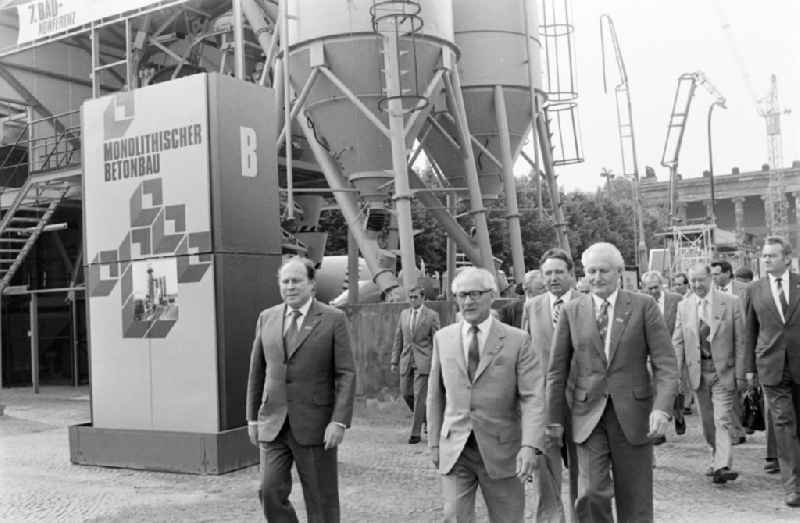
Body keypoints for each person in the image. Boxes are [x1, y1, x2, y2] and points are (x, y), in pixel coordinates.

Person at [545, 242, 678, 523]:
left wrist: (662, 408)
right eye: (590, 271)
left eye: (603, 271)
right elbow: (556, 370)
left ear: (619, 272)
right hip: (586, 415)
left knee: (635, 497)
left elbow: (665, 364)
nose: (596, 278)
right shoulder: (572, 310)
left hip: (633, 414)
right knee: (591, 493)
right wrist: (553, 419)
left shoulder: (643, 306)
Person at [245, 256, 357, 522]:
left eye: (296, 281)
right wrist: (252, 418)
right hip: (273, 423)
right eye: (285, 281)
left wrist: (338, 422)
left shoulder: (333, 319)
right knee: (268, 490)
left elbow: (346, 374)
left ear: (311, 285)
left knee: (321, 498)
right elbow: (257, 371)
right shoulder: (267, 318)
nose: (290, 286)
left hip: (315, 425)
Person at [427, 266, 537, 522]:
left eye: (476, 294)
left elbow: (532, 396)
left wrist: (530, 444)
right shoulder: (443, 338)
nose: (468, 301)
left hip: (502, 449)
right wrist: (434, 442)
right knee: (454, 516)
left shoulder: (517, 340)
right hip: (456, 448)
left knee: (507, 518)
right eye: (462, 295)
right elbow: (435, 395)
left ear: (492, 295)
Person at [673, 263, 745, 484]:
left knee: (721, 418)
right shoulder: (684, 307)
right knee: (707, 423)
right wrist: (675, 374)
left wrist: (742, 373)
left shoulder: (731, 303)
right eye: (692, 281)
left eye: (700, 280)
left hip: (723, 371)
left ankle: (723, 465)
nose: (696, 285)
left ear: (710, 279)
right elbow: (678, 341)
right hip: (698, 372)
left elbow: (741, 340)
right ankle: (715, 454)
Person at [744, 236, 800, 507]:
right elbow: (749, 331)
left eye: (772, 255)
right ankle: (793, 486)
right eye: (764, 256)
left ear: (787, 258)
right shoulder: (754, 290)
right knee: (784, 424)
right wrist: (748, 369)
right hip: (771, 367)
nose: (766, 259)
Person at [526, 248, 580, 523]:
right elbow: (525, 355)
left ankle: (580, 516)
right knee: (545, 467)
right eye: (548, 273)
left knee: (582, 469)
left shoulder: (587, 303)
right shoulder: (532, 307)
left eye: (559, 272)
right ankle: (550, 518)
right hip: (544, 399)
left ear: (571, 274)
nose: (553, 278)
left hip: (582, 400)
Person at [390, 286, 441, 444]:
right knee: (406, 393)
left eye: (415, 297)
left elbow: (437, 340)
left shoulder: (432, 315)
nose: (412, 300)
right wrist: (394, 360)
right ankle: (426, 418)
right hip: (407, 359)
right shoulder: (404, 314)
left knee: (420, 396)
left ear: (422, 297)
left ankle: (415, 433)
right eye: (410, 297)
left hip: (424, 361)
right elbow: (398, 338)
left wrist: (436, 361)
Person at [642, 270, 685, 428]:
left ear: (661, 285)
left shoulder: (676, 299)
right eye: (649, 288)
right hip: (650, 353)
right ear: (644, 288)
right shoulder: (642, 303)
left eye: (655, 287)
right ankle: (659, 424)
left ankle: (678, 413)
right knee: (654, 388)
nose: (653, 291)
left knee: (674, 385)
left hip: (673, 350)